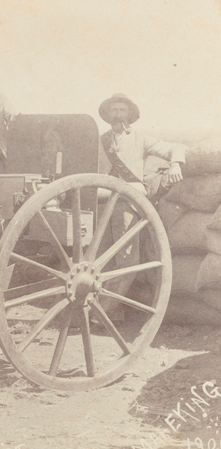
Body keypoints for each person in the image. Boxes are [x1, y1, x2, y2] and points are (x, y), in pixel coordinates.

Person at [98, 93, 185, 322]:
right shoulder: (100, 141)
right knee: (101, 260)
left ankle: (101, 311)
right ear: (107, 115)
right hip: (100, 204)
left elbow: (173, 148)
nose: (117, 115)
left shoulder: (140, 139)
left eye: (122, 110)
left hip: (126, 205)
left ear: (130, 115)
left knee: (127, 260)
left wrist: (175, 162)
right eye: (113, 111)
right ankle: (112, 312)